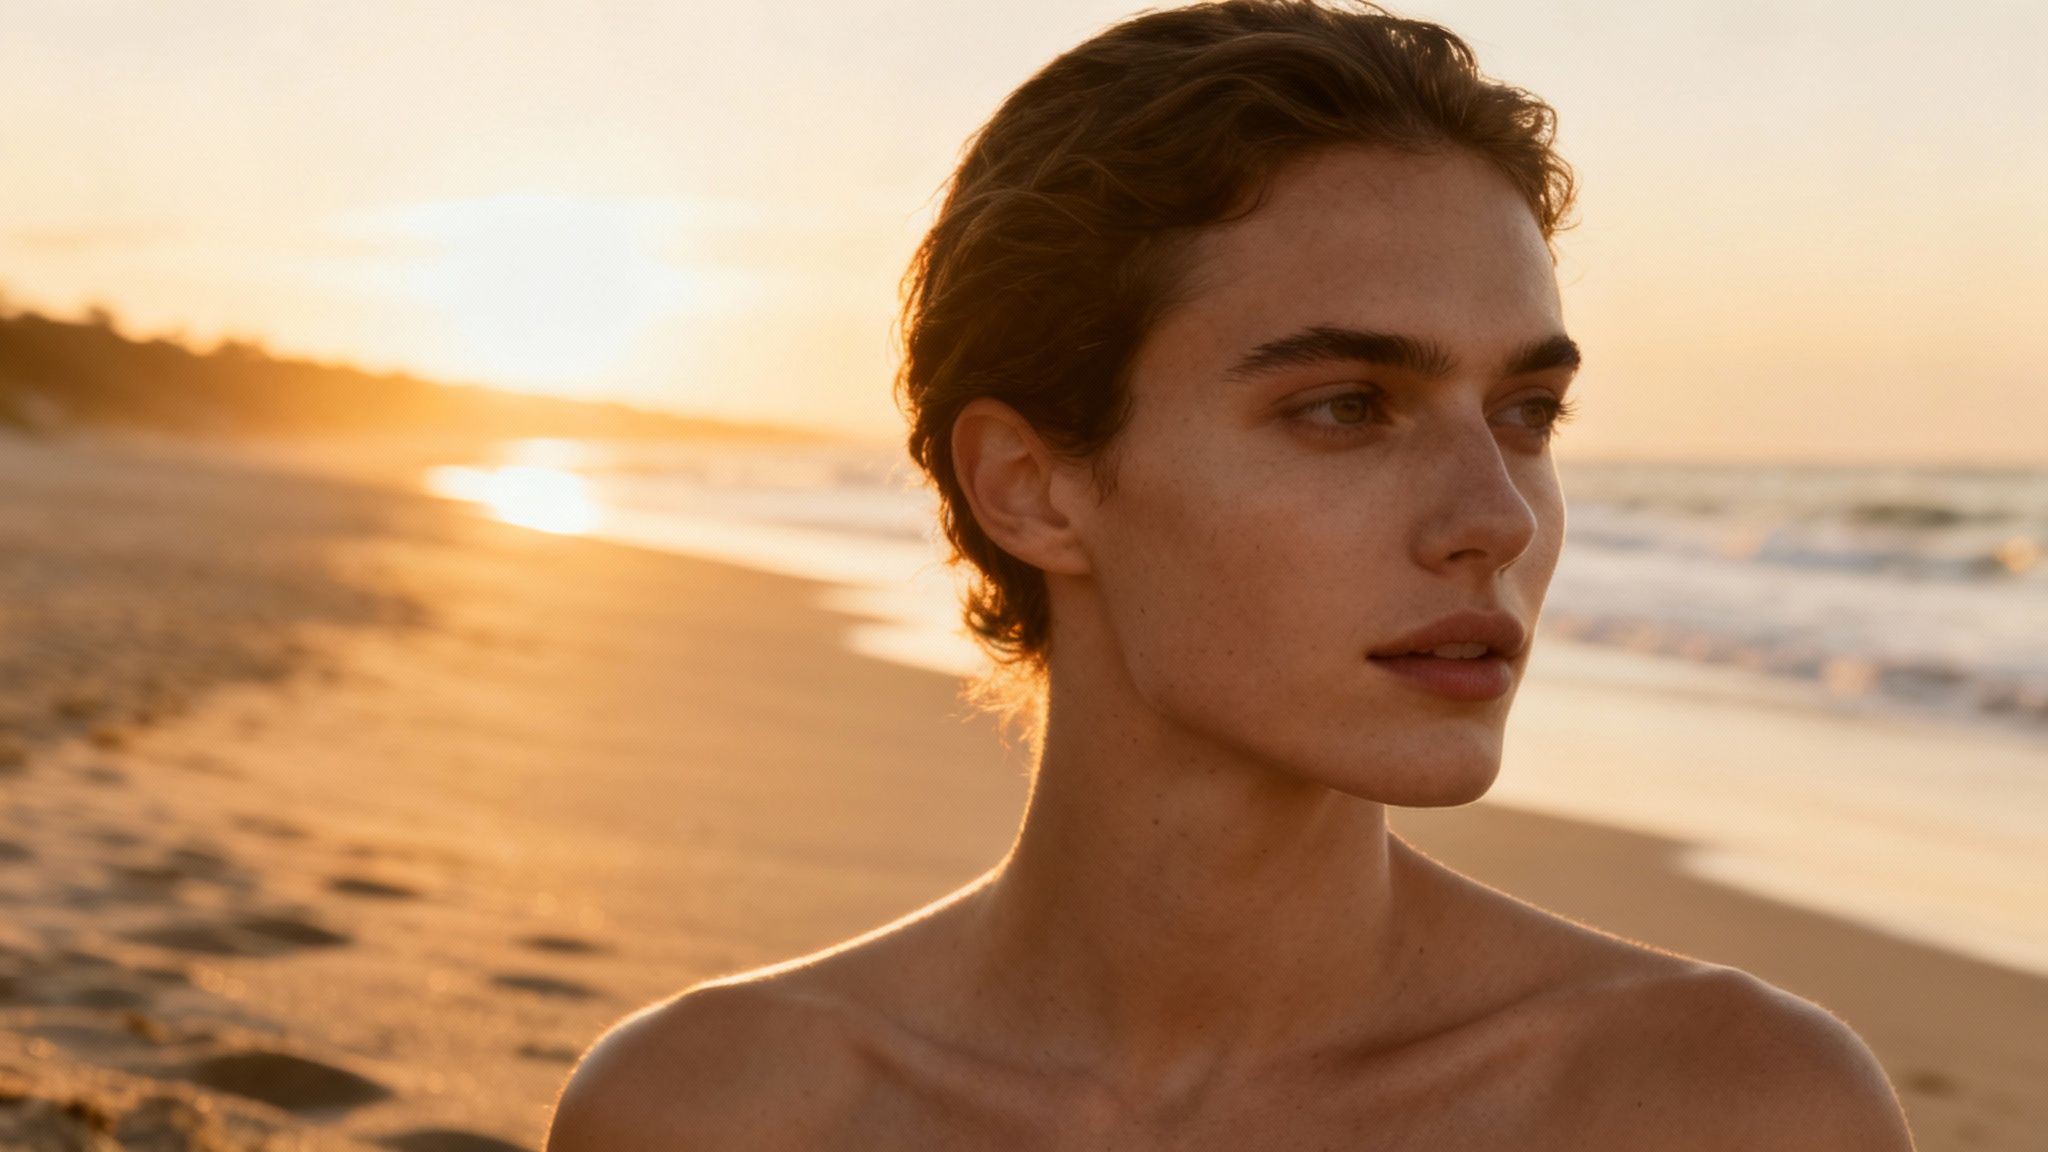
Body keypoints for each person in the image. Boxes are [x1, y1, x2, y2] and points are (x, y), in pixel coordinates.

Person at [547, 2, 1917, 1146]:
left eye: (1525, 413)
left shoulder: (1730, 1111)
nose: (1496, 518)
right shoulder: (713, 1115)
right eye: (1347, 408)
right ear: (1030, 487)